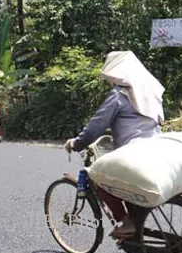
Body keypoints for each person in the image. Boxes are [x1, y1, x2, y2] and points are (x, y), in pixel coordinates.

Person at [64, 51, 165, 239]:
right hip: (156, 150)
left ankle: (126, 223)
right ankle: (135, 226)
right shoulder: (152, 92)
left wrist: (76, 143)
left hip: (134, 154)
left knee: (100, 179)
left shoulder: (120, 94)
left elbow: (96, 127)